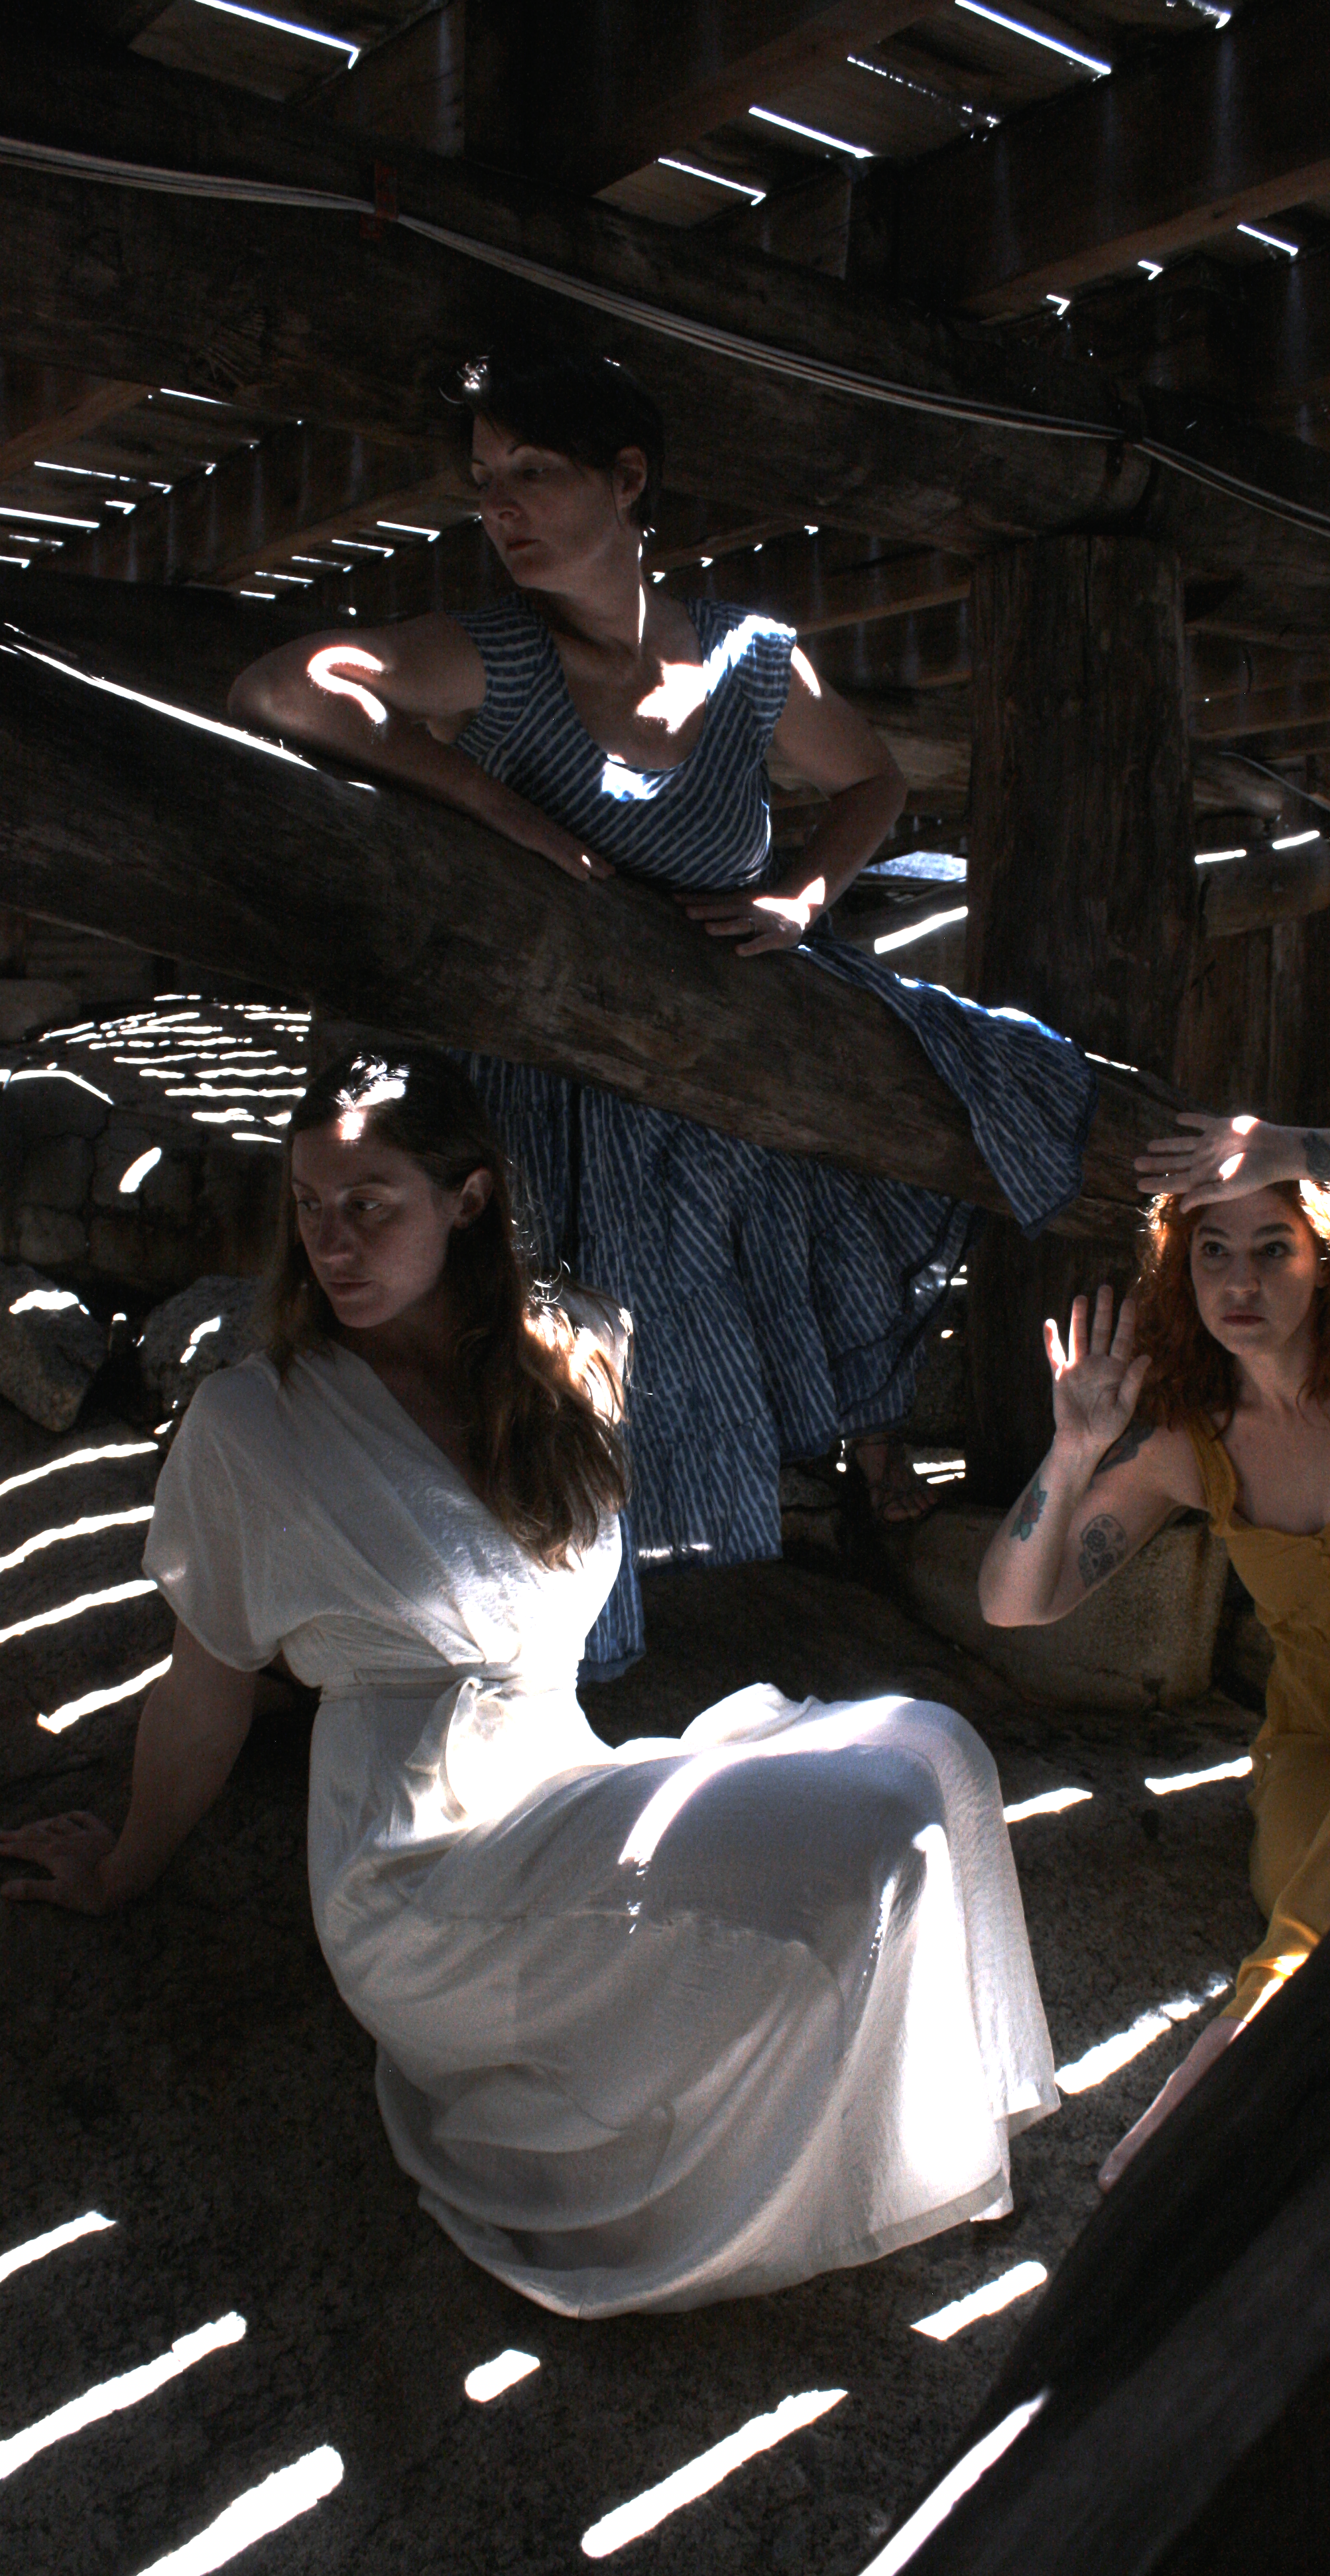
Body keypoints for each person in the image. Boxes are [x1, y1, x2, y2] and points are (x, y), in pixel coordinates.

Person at [0, 1049, 1059, 2319]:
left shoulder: (571, 1359)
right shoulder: (253, 1422)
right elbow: (206, 1686)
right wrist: (125, 1864)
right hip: (423, 1864)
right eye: (309, 1206)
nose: (331, 1242)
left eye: (370, 1204)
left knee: (939, 1749)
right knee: (876, 1835)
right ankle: (857, 2173)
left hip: (565, 1778)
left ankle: (937, 2135)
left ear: (469, 1199)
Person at [226, 348, 1097, 1675]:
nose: (499, 508)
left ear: (628, 482)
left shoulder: (750, 665)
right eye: (483, 482)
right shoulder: (496, 654)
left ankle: (655, 1604)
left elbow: (868, 783)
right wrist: (502, 811)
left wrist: (805, 897)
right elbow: (281, 688)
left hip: (704, 1077)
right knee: (534, 1348)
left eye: (532, 473)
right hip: (531, 1075)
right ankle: (521, 1654)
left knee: (683, 1332)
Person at [976, 1106, 1330, 2185]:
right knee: (1319, 1879)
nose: (1239, 1280)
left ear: (1323, 1254)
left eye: (1271, 1247)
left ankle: (1225, 2055)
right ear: (1182, 1277)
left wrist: (1294, 1147)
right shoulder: (1191, 1448)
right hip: (1322, 1746)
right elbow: (1017, 1602)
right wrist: (1072, 1452)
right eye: (1212, 1253)